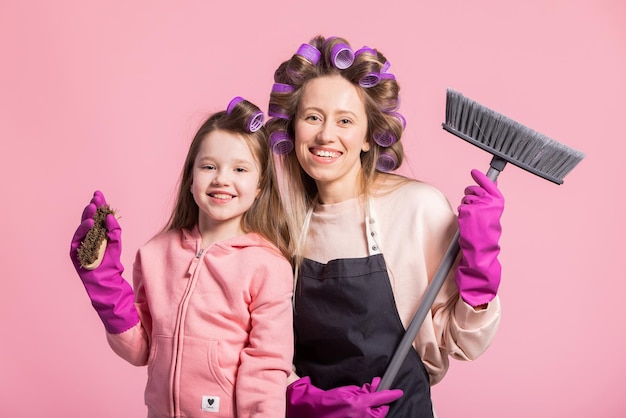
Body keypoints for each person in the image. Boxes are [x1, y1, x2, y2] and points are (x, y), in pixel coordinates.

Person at [265, 35, 504, 417]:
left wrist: (481, 271)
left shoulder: (417, 208)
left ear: (366, 137)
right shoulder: (277, 225)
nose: (327, 135)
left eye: (345, 120)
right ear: (292, 129)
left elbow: (464, 344)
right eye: (313, 117)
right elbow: (261, 352)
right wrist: (307, 402)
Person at [69, 97, 294, 417]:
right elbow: (140, 349)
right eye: (209, 166)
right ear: (191, 178)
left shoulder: (267, 267)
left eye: (240, 168)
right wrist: (103, 282)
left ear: (259, 186)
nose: (221, 179)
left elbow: (266, 368)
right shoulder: (156, 253)